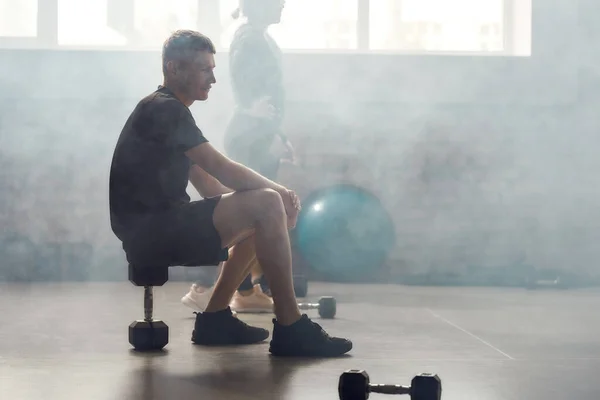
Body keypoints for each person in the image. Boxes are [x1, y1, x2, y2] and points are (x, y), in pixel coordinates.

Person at [109, 29, 352, 357]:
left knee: (261, 212)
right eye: (203, 69)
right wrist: (277, 193)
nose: (213, 79)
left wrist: (268, 211)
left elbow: (210, 185)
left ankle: (214, 319)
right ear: (173, 68)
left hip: (156, 227)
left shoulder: (167, 111)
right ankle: (291, 327)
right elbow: (221, 168)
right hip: (153, 230)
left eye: (213, 69)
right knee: (265, 204)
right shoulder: (165, 109)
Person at [181, 0, 300, 314]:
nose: (283, 5)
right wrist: (256, 119)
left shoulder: (259, 37)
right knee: (248, 212)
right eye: (277, 2)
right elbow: (244, 84)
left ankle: (244, 289)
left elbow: (270, 95)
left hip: (260, 131)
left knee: (254, 215)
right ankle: (209, 288)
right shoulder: (248, 38)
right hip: (251, 134)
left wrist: (278, 135)